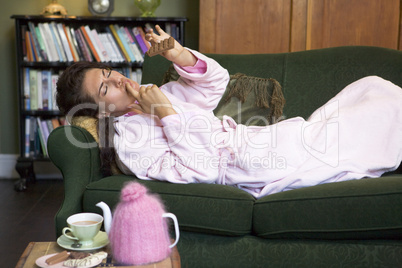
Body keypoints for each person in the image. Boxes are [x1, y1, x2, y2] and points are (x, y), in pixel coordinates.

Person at [56, 25, 402, 199]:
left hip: (269, 139)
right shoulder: (132, 146)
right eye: (105, 88)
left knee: (373, 89)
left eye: (107, 72)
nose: (116, 78)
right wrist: (164, 113)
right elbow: (202, 169)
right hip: (252, 162)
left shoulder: (160, 92)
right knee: (380, 113)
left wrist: (179, 56)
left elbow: (216, 83)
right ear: (102, 112)